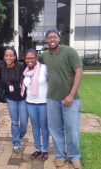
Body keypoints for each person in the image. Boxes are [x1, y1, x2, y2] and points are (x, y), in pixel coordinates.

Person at [41, 29, 83, 169]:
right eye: (49, 37)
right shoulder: (45, 55)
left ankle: (74, 157)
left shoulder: (69, 52)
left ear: (59, 39)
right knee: (55, 129)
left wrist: (71, 95)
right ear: (46, 41)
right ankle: (60, 155)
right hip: (52, 99)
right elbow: (33, 64)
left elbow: (78, 71)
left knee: (72, 129)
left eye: (54, 37)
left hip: (70, 99)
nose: (52, 39)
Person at [22, 49, 49, 161]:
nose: (29, 60)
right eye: (27, 58)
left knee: (44, 126)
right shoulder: (25, 71)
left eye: (32, 57)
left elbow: (51, 82)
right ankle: (38, 149)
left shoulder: (44, 68)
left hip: (43, 103)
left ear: (36, 58)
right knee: (35, 126)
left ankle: (46, 150)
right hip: (30, 103)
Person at [1, 47, 28, 153]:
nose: (8, 57)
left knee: (24, 123)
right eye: (6, 55)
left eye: (11, 55)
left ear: (15, 57)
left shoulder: (21, 66)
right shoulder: (2, 68)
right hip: (10, 99)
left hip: (23, 99)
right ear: (4, 57)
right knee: (14, 122)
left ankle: (18, 136)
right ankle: (16, 142)